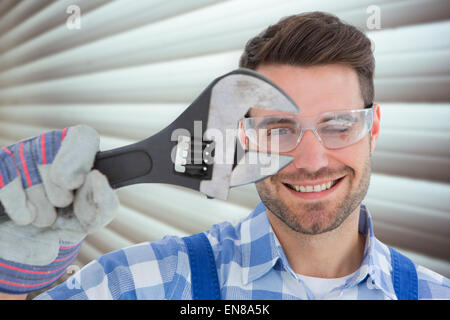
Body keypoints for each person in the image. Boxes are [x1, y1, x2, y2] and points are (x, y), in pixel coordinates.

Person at [1, 11, 449, 300]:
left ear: (373, 129)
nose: (312, 160)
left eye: (338, 124)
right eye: (279, 129)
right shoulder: (143, 283)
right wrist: (8, 283)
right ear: (245, 138)